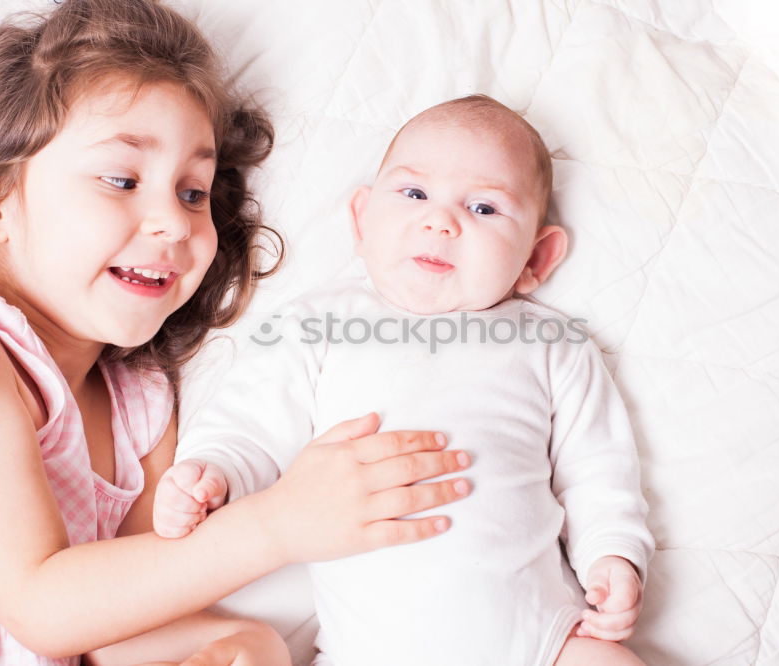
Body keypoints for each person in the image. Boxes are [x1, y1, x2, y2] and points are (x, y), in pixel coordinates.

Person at [0, 1, 471, 664]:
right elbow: (41, 605)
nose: (175, 224)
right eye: (121, 180)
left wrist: (234, 642)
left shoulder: (141, 401)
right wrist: (278, 525)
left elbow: (119, 627)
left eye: (193, 192)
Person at [161, 95, 655, 666]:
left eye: (485, 208)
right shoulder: (318, 325)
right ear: (361, 220)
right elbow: (251, 426)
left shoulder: (553, 345)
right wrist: (211, 474)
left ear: (536, 259)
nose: (440, 221)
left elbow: (599, 469)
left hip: (542, 641)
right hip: (366, 649)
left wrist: (614, 557)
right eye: (415, 194)